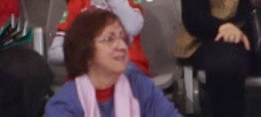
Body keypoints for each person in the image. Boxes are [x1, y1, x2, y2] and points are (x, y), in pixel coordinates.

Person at [47, 8, 182, 117]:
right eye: (109, 39)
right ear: (85, 51)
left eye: (123, 38)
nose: (122, 46)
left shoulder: (140, 87)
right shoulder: (64, 104)